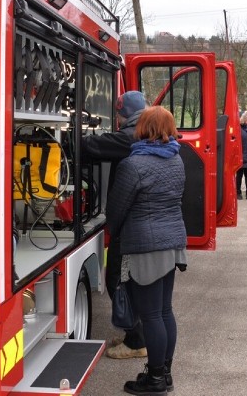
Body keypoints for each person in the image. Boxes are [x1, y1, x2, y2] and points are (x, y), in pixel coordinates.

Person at [106, 106, 188, 395]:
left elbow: (115, 210)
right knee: (164, 311)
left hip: (145, 246)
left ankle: (154, 380)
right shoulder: (176, 158)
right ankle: (164, 373)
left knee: (151, 315)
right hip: (172, 243)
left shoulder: (134, 164)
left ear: (142, 127)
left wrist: (112, 234)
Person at [80, 91, 148, 360]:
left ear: (126, 113)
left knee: (117, 280)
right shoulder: (145, 130)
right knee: (129, 282)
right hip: (139, 223)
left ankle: (136, 340)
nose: (117, 119)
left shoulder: (131, 136)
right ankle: (134, 334)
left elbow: (95, 146)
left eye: (119, 114)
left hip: (130, 224)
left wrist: (71, 137)